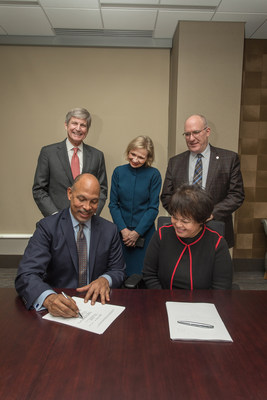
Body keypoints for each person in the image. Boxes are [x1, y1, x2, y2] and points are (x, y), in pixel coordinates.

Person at [15, 173, 125, 318]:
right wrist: (48, 298)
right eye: (81, 199)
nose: (87, 207)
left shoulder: (109, 230)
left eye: (93, 201)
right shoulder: (47, 228)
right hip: (58, 305)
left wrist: (105, 279)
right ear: (70, 193)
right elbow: (26, 274)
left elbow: (118, 270)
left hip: (97, 307)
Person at [161, 114, 244, 248]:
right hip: (182, 233)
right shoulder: (175, 162)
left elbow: (236, 195)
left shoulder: (229, 159)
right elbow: (166, 196)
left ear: (207, 131)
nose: (191, 138)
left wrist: (210, 214)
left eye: (196, 132)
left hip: (215, 228)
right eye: (187, 134)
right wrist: (183, 216)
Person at [143, 184, 233, 290]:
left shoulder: (217, 244)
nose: (178, 224)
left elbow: (221, 287)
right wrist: (163, 298)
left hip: (202, 303)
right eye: (175, 217)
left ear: (201, 220)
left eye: (185, 221)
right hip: (164, 300)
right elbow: (149, 275)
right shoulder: (162, 235)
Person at [32, 107, 108, 217]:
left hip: (87, 219)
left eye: (83, 125)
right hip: (56, 221)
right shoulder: (48, 153)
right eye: (74, 123)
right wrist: (54, 216)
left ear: (87, 129)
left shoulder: (97, 156)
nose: (78, 128)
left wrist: (92, 213)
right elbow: (39, 189)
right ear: (66, 125)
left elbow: (102, 190)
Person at [109, 136, 162, 276]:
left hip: (145, 235)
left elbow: (153, 208)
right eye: (133, 154)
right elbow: (113, 205)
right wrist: (124, 231)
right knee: (120, 275)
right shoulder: (118, 172)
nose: (135, 160)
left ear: (148, 158)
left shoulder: (154, 175)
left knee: (144, 276)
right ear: (128, 151)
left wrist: (137, 232)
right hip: (121, 235)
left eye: (141, 157)